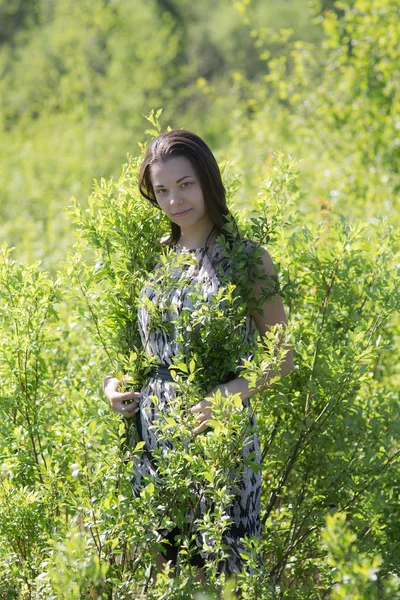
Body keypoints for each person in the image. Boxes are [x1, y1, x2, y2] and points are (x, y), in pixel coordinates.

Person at [103, 129, 293, 576]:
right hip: (152, 439)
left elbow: (280, 358)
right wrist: (113, 386)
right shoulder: (155, 259)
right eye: (163, 190)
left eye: (185, 184)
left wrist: (224, 397)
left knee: (226, 574)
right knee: (169, 574)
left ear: (208, 180)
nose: (174, 201)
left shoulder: (246, 259)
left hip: (219, 441)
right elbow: (141, 352)